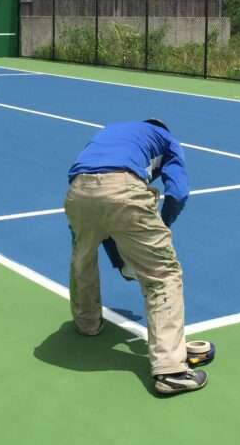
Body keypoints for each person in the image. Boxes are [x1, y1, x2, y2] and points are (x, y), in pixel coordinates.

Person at [64, 119, 207, 397]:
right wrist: (161, 228)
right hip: (124, 188)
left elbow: (105, 225)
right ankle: (170, 371)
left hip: (77, 191)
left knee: (82, 260)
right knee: (163, 274)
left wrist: (120, 262)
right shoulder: (167, 140)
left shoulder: (108, 134)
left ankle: (87, 323)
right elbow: (177, 192)